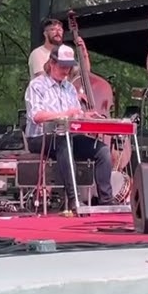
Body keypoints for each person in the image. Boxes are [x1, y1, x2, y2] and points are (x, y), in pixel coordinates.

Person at [23, 45, 113, 205]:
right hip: (40, 137)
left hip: (67, 136)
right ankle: (74, 199)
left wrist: (85, 116)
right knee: (63, 141)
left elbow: (75, 115)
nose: (66, 71)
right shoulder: (37, 85)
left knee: (103, 151)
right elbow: (37, 116)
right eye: (62, 66)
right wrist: (65, 114)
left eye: (69, 67)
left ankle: (106, 199)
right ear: (52, 63)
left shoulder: (70, 88)